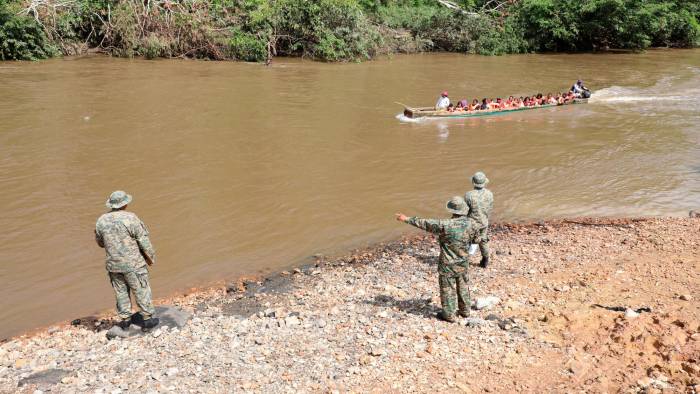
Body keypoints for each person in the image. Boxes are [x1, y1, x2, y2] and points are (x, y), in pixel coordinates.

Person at [396, 197, 479, 322]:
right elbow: (476, 240)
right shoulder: (472, 224)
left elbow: (425, 223)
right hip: (463, 263)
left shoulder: (444, 225)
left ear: (452, 210)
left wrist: (406, 218)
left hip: (447, 264)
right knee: (463, 286)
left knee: (447, 289)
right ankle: (465, 311)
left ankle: (449, 315)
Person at [95, 191, 160, 330]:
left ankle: (125, 320)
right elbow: (143, 240)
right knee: (141, 289)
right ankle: (147, 319)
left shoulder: (101, 220)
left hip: (113, 265)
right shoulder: (131, 218)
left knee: (121, 292)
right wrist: (151, 257)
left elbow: (100, 243)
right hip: (133, 264)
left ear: (112, 204)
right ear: (125, 204)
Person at [464, 172, 494, 268]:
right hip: (484, 222)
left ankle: (465, 261)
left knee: (469, 241)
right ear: (484, 182)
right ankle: (485, 259)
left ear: (473, 182)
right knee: (483, 240)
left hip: (472, 223)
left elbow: (465, 210)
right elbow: (489, 208)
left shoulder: (468, 195)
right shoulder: (489, 194)